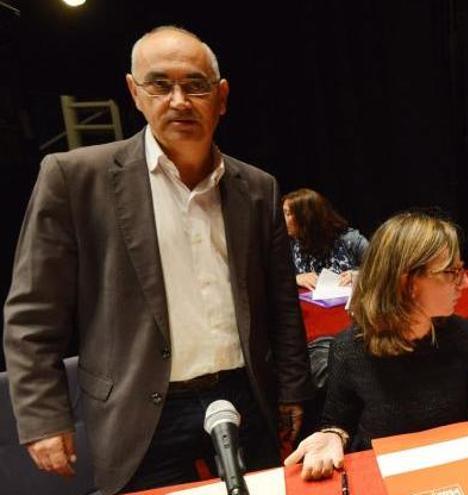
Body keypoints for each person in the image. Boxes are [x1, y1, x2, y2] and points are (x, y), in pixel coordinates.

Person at [3, 26, 313, 494]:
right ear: (134, 92)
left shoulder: (258, 188)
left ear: (221, 96)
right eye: (159, 85)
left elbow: (281, 304)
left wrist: (292, 389)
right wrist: (44, 416)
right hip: (138, 410)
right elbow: (32, 314)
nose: (179, 100)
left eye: (195, 85)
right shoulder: (75, 179)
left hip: (244, 399)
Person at [284, 211, 468, 480]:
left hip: (456, 469)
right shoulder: (349, 350)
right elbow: (338, 423)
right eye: (452, 273)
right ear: (407, 283)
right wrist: (332, 437)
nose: (465, 282)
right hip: (385, 477)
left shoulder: (463, 335)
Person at [282, 188, 368, 290]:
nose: (282, 219)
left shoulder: (350, 240)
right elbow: (273, 276)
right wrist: (295, 278)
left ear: (306, 218)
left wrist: (358, 275)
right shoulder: (289, 241)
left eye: (287, 214)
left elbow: (383, 269)